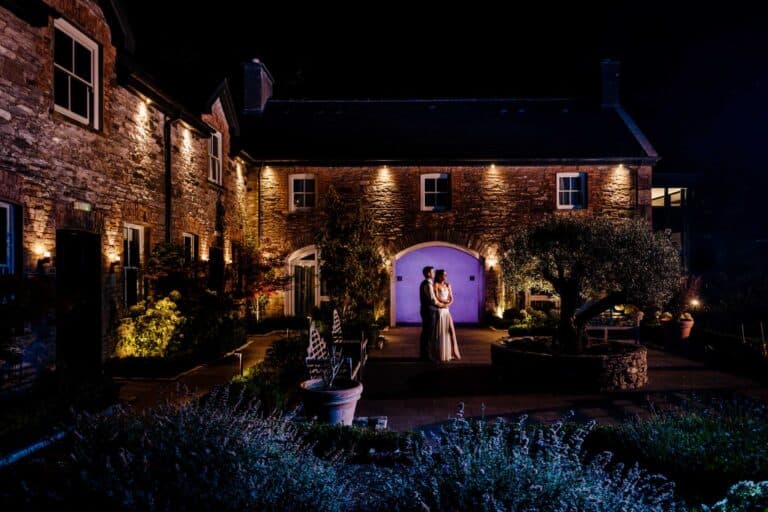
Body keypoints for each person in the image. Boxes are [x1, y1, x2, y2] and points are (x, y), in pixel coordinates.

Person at [432, 269, 461, 362]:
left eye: (446, 275)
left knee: (451, 330)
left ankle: (453, 352)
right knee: (440, 331)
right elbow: (437, 297)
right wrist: (445, 302)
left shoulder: (448, 285)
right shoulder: (435, 285)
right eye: (444, 275)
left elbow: (452, 297)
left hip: (446, 310)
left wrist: (448, 303)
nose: (445, 276)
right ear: (439, 276)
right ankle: (439, 353)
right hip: (440, 310)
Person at [419, 266, 442, 360]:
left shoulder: (428, 283)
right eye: (432, 272)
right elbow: (432, 299)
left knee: (427, 332)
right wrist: (441, 305)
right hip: (429, 311)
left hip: (427, 310)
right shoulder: (427, 284)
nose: (434, 273)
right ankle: (426, 356)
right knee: (428, 333)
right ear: (428, 273)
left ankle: (425, 354)